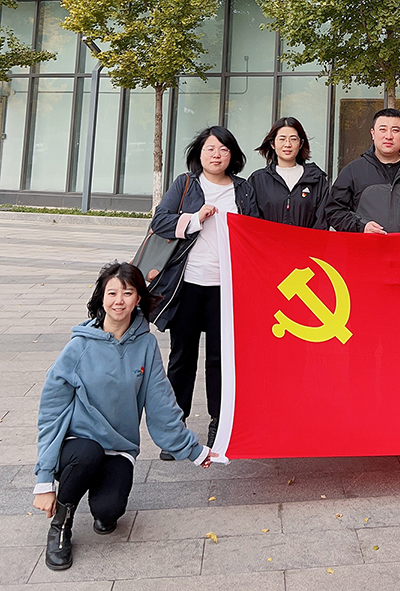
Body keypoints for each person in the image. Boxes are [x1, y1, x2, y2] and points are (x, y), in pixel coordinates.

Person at [33, 261, 213, 571]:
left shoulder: (146, 345)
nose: (119, 300)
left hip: (118, 447)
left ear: (138, 298)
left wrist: (193, 450)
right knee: (87, 454)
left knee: (108, 512)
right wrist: (44, 480)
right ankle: (61, 523)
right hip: (79, 444)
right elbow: (51, 412)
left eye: (127, 293)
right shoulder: (78, 347)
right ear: (101, 297)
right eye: (112, 293)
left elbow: (161, 404)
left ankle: (99, 494)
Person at [150, 125, 260, 457]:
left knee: (220, 359)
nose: (217, 155)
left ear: (232, 156)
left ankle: (219, 425)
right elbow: (160, 221)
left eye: (223, 149)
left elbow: (255, 231)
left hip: (226, 288)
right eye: (210, 149)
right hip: (188, 284)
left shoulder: (243, 189)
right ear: (199, 154)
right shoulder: (185, 184)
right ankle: (176, 431)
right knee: (182, 357)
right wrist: (195, 218)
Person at [325, 107, 400, 234]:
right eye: (383, 130)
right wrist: (361, 227)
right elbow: (334, 211)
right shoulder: (353, 171)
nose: (389, 136)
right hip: (365, 245)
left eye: (395, 130)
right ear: (373, 133)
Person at [248, 116, 329, 229]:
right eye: (282, 139)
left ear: (301, 144)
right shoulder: (258, 180)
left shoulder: (316, 179)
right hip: (268, 240)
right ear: (272, 144)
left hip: (307, 240)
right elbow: (251, 220)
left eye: (293, 139)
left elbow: (322, 222)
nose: (287, 144)